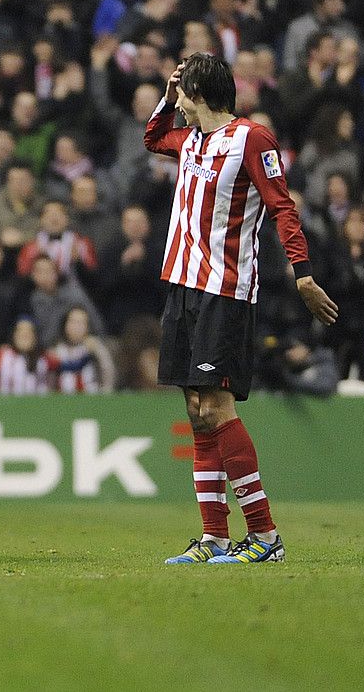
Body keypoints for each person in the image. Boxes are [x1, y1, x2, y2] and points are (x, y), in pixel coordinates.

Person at [145, 54, 338, 565]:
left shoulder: (253, 139)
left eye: (183, 93)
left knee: (217, 408)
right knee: (196, 411)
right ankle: (214, 538)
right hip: (181, 285)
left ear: (202, 93)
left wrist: (303, 273)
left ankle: (266, 536)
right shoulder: (190, 141)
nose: (179, 104)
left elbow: (282, 206)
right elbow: (151, 137)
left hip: (224, 290)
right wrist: (166, 97)